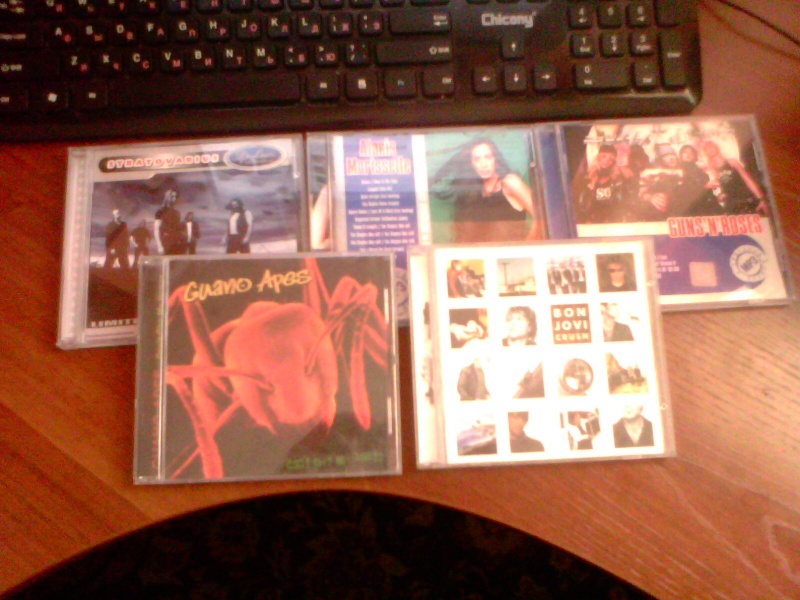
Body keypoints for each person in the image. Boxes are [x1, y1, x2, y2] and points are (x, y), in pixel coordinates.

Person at [431, 138, 542, 242]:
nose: (483, 164)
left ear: (496, 160)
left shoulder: (510, 182)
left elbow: (542, 218)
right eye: (477, 159)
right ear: (471, 164)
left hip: (512, 254)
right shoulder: (474, 193)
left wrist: (525, 249)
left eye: (488, 157)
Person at [701, 140, 768, 215]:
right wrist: (720, 193)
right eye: (706, 148)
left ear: (716, 147)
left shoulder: (732, 162)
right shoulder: (712, 169)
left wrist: (761, 199)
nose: (709, 149)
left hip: (746, 199)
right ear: (705, 153)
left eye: (711, 146)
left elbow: (748, 180)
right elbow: (718, 185)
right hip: (732, 205)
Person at [578, 143, 627, 223]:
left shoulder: (616, 180)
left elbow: (619, 203)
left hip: (611, 222)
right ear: (598, 157)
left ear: (613, 162)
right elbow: (582, 203)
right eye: (604, 157)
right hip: (590, 221)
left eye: (611, 159)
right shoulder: (587, 178)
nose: (607, 161)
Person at [154, 189, 185, 255]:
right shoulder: (160, 212)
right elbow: (156, 230)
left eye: (175, 197)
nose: (174, 199)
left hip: (177, 243)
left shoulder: (176, 212)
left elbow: (178, 228)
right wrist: (160, 246)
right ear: (168, 197)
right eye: (172, 197)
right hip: (166, 244)